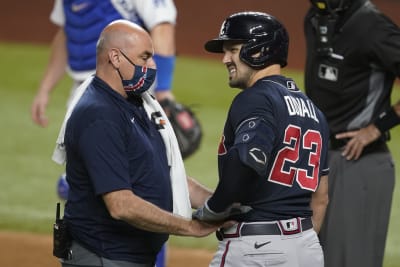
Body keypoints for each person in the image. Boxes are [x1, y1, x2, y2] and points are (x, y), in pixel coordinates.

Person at [56, 19, 222, 267]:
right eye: (145, 58)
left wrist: (222, 205)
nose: (153, 66)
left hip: (127, 257)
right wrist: (191, 227)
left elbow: (167, 175)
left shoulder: (137, 103)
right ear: (115, 57)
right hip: (104, 257)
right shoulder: (99, 116)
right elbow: (121, 205)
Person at [193, 11, 330, 267]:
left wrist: (215, 209)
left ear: (259, 51)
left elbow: (247, 159)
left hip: (256, 250)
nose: (225, 59)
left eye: (233, 49)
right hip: (306, 248)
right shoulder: (315, 112)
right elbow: (321, 197)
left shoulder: (256, 98)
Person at [304, 1, 400, 266]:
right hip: (316, 162)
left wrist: (377, 127)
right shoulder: (315, 17)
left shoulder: (373, 27)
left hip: (355, 163)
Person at [31, 0, 178, 127]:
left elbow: (162, 26)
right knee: (83, 156)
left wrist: (163, 91)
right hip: (83, 89)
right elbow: (69, 31)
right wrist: (45, 88)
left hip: (127, 88)